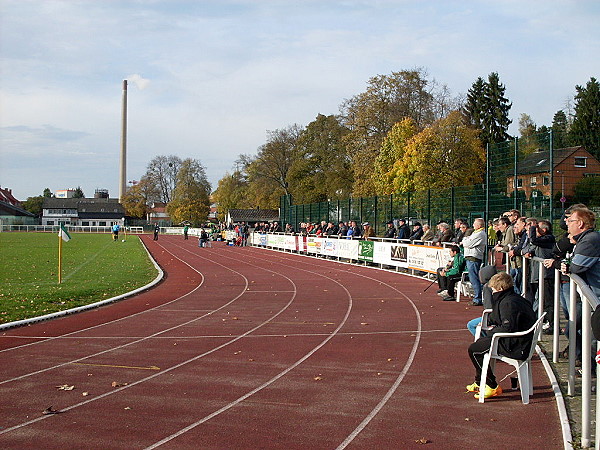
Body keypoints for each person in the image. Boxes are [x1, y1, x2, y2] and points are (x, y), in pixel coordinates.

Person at [467, 272, 537, 399]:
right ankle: (479, 382)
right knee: (479, 345)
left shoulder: (508, 303)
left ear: (500, 289)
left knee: (474, 350)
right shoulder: (513, 298)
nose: (492, 292)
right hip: (520, 340)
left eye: (493, 289)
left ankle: (491, 385)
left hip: (515, 345)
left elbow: (508, 327)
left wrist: (490, 332)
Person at [562, 207, 600, 298]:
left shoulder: (589, 240)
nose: (567, 223)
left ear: (580, 223)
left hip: (596, 297)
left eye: (570, 220)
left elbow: (576, 267)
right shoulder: (585, 238)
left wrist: (567, 265)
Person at [461, 218, 487, 306]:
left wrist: (465, 241)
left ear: (479, 225)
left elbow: (467, 243)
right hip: (470, 257)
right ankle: (477, 297)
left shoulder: (480, 234)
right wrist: (466, 241)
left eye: (474, 223)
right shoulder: (475, 233)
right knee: (473, 278)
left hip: (474, 258)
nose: (473, 225)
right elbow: (467, 241)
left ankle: (478, 298)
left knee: (474, 278)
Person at [466, 265, 498, 336]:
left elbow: (489, 307)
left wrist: (487, 320)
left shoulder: (487, 287)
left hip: (494, 317)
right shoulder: (499, 285)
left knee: (471, 325)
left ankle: (485, 340)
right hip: (500, 316)